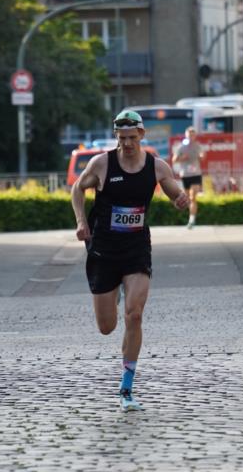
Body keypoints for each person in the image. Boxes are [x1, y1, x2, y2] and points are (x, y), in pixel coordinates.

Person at [71, 110, 188, 412]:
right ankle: (114, 290)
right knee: (107, 326)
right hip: (104, 248)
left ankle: (126, 388)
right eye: (121, 139)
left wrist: (180, 199)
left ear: (142, 135)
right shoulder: (102, 163)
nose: (126, 144)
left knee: (134, 315)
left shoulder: (156, 166)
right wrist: (81, 221)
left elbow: (174, 191)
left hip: (136, 247)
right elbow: (77, 189)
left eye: (131, 138)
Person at [171, 126, 202, 229]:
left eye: (193, 135)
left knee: (193, 197)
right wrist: (182, 158)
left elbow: (202, 155)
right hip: (185, 174)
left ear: (195, 136)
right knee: (188, 198)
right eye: (189, 135)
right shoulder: (181, 147)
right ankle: (190, 217)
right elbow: (174, 160)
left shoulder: (198, 146)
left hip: (196, 174)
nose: (191, 137)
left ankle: (192, 220)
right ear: (186, 135)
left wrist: (201, 156)